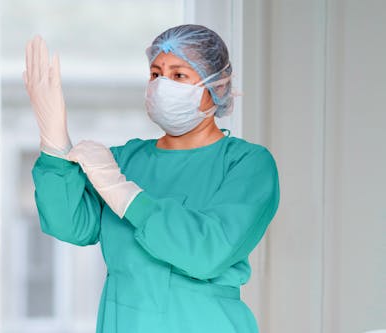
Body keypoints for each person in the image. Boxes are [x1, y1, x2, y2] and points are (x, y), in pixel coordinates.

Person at [24, 24, 280, 333]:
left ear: (219, 87)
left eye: (179, 75)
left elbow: (207, 253)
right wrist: (54, 144)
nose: (162, 85)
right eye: (155, 74)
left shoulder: (246, 164)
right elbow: (71, 225)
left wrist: (125, 194)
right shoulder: (125, 160)